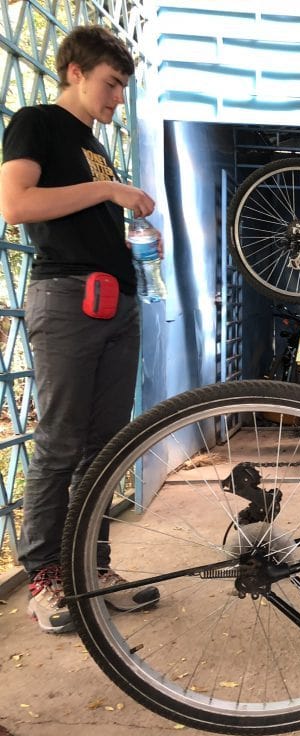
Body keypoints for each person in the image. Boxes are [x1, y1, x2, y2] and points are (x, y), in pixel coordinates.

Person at [0, 25, 161, 633]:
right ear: (75, 71)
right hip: (66, 297)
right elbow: (15, 205)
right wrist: (110, 188)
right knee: (61, 442)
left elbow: (82, 214)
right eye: (111, 83)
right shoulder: (36, 122)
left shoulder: (94, 145)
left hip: (116, 298)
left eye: (122, 86)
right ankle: (45, 575)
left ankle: (91, 568)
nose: (117, 97)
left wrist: (134, 241)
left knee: (105, 447)